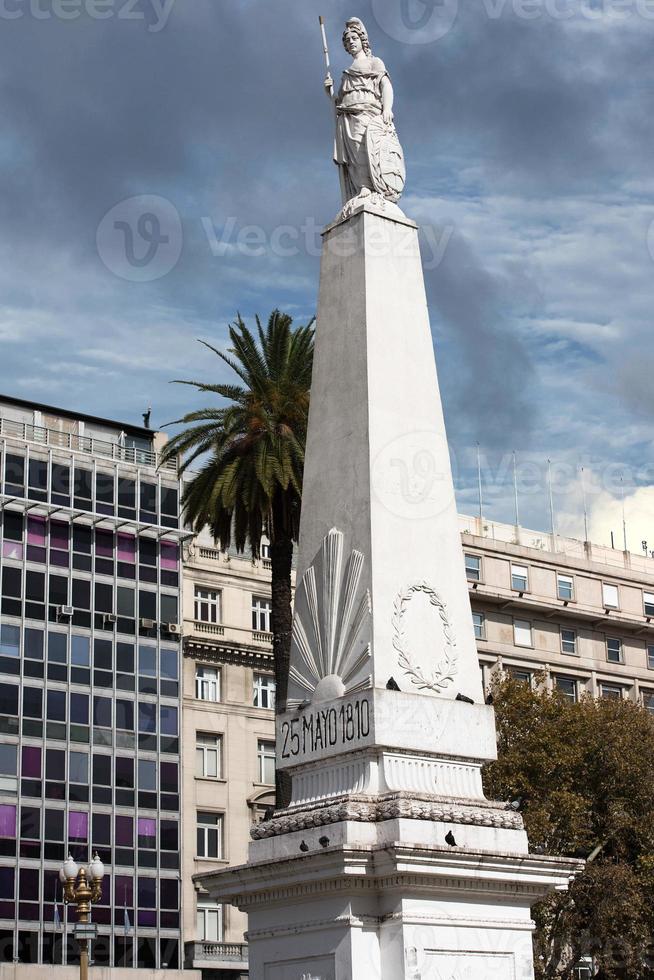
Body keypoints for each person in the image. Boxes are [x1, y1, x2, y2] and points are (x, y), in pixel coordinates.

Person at [324, 17, 406, 212]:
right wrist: (330, 94)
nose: (351, 42)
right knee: (353, 157)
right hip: (347, 117)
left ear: (362, 40)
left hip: (368, 114)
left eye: (354, 38)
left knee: (367, 149)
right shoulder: (346, 74)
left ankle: (374, 187)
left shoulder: (374, 62)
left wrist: (387, 109)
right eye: (347, 40)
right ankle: (362, 188)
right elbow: (339, 103)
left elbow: (386, 86)